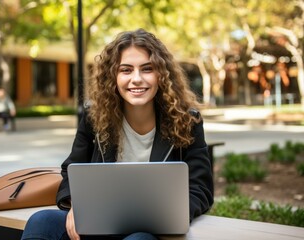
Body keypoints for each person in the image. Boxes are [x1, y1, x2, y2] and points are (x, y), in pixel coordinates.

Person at [21, 28, 213, 240]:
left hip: (151, 230)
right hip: (100, 221)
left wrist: (170, 216)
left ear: (161, 75)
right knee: (41, 221)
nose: (137, 79)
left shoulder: (187, 121)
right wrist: (77, 205)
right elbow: (70, 170)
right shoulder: (94, 117)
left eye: (147, 69)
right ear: (113, 76)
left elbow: (201, 188)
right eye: (126, 70)